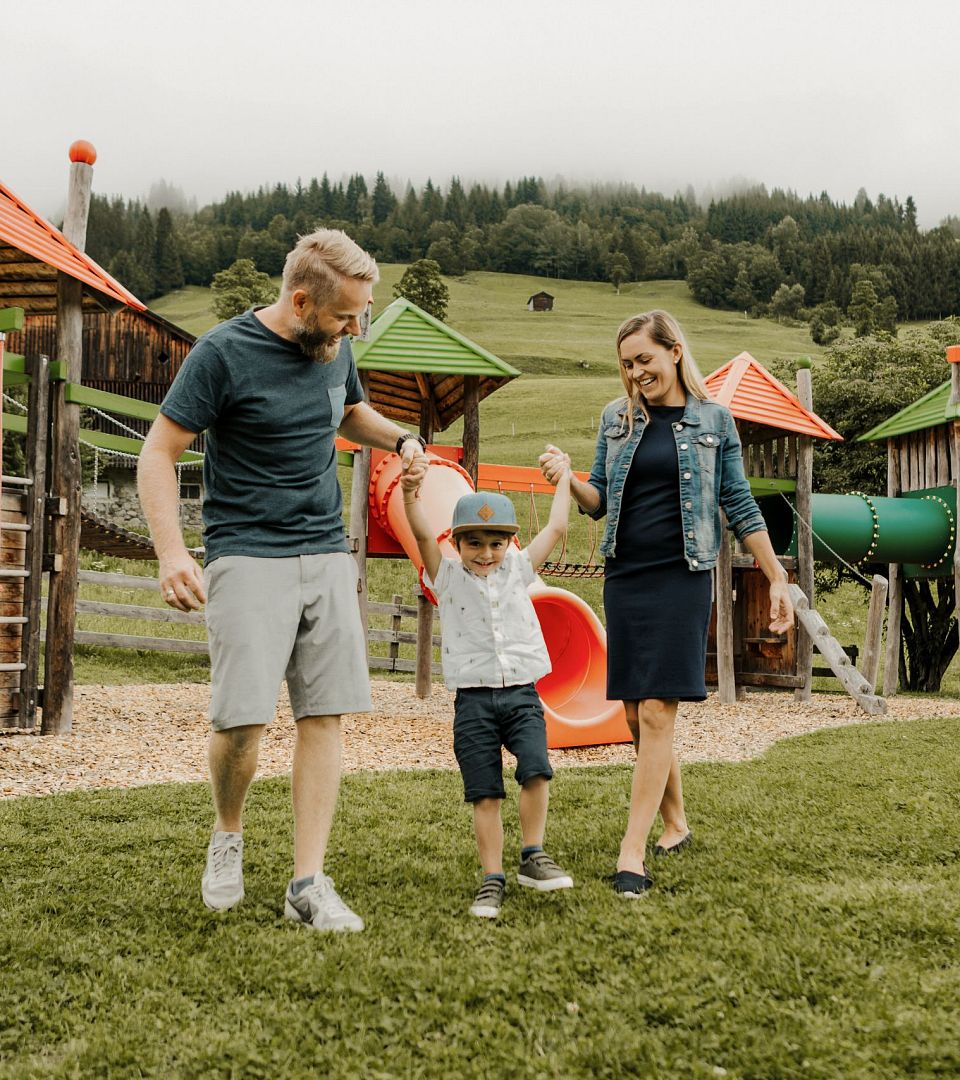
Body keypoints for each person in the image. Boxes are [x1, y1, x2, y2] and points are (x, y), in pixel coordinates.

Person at [137, 229, 428, 931]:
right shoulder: (222, 354)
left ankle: (307, 883)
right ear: (301, 302)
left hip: (325, 551)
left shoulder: (336, 346)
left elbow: (348, 410)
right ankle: (228, 831)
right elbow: (158, 451)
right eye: (345, 317)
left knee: (323, 714)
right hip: (246, 552)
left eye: (360, 315)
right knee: (242, 722)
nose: (355, 329)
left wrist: (401, 437)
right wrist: (172, 553)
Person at [539, 310, 793, 899]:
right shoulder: (617, 417)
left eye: (644, 360)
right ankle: (676, 820)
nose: (635, 373)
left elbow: (739, 503)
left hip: (683, 574)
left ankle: (632, 852)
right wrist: (568, 477)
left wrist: (776, 575)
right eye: (627, 364)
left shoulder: (715, 420)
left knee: (657, 710)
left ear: (674, 351)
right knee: (635, 714)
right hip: (626, 575)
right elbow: (599, 500)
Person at [401, 464, 575, 920]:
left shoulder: (519, 569)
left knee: (536, 769)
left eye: (496, 543)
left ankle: (533, 854)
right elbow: (421, 534)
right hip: (473, 702)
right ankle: (492, 877)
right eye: (474, 543)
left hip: (521, 695)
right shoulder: (446, 577)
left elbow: (557, 527)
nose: (485, 553)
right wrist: (410, 494)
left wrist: (564, 480)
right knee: (485, 793)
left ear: (509, 544)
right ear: (456, 544)